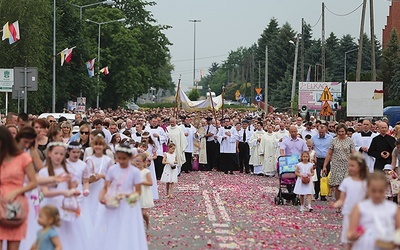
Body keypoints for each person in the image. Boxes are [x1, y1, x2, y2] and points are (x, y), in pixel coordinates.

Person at [95, 144, 147, 250]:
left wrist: (126, 195)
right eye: (119, 158)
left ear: (130, 158)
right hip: (113, 201)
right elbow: (106, 186)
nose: (122, 161)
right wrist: (101, 197)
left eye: (124, 159)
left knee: (125, 229)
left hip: (127, 204)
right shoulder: (112, 169)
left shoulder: (135, 172)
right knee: (112, 227)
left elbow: (138, 192)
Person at [38, 142, 88, 250]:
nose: (58, 156)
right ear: (50, 153)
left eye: (61, 154)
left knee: (68, 235)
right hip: (50, 206)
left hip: (65, 206)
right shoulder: (44, 172)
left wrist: (73, 189)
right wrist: (63, 192)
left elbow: (72, 186)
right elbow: (45, 193)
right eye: (56, 153)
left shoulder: (68, 170)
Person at [0, 127, 37, 250]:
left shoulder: (23, 158)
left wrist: (16, 191)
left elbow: (33, 182)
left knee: (13, 245)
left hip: (15, 204)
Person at [348, 172, 400, 249]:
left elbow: (398, 230)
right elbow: (350, 232)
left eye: (380, 191)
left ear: (386, 189)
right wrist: (353, 236)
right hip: (364, 245)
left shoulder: (393, 208)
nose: (377, 194)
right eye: (373, 191)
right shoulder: (360, 207)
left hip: (386, 244)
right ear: (367, 188)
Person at [331, 153, 368, 248]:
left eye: (353, 166)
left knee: (362, 239)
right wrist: (336, 204)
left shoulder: (366, 182)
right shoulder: (346, 181)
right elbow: (342, 199)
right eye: (349, 165)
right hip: (349, 214)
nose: (350, 168)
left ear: (360, 166)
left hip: (362, 214)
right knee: (349, 239)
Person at [323, 124, 355, 204]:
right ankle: (338, 202)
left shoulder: (350, 140)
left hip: (347, 165)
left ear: (346, 132)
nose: (341, 133)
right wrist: (325, 166)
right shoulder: (334, 141)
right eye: (339, 131)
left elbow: (354, 153)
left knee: (347, 185)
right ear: (337, 132)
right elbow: (329, 154)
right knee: (337, 186)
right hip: (336, 165)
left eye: (342, 131)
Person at [84, 134, 113, 224]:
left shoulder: (108, 159)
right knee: (91, 209)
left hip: (103, 187)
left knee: (101, 210)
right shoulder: (88, 159)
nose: (98, 147)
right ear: (92, 145)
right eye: (96, 144)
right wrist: (90, 179)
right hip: (91, 188)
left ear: (104, 146)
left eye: (100, 145)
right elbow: (85, 176)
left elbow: (111, 176)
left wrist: (102, 176)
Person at [312, 125, 333, 201]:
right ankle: (316, 192)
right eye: (320, 132)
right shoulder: (314, 138)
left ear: (326, 131)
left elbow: (332, 149)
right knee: (317, 176)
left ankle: (323, 194)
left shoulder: (330, 138)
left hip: (326, 159)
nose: (321, 134)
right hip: (317, 159)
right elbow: (311, 147)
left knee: (325, 177)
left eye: (322, 132)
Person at [134, 153, 154, 230]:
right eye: (136, 161)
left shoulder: (146, 171)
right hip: (136, 192)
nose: (137, 163)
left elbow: (150, 183)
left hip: (144, 193)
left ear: (143, 162)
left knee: (143, 213)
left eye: (139, 161)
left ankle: (147, 221)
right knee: (136, 213)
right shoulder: (134, 171)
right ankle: (138, 228)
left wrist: (141, 182)